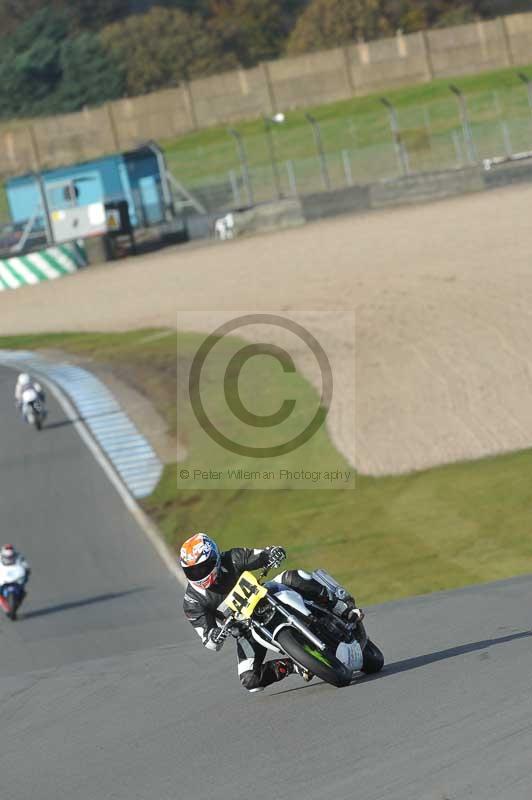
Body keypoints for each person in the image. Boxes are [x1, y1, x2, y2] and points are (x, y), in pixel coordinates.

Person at [181, 532, 361, 693]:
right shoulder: (192, 601)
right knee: (250, 679)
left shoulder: (232, 558)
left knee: (294, 576)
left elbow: (260, 555)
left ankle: (340, 606)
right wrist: (214, 637)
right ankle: (295, 665)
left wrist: (272, 554)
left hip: (267, 595)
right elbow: (207, 639)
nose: (198, 574)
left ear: (215, 558)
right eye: (191, 571)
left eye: (202, 568)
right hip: (245, 628)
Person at [0, 544, 31, 612]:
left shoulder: (19, 556)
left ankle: (20, 596)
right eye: (7, 557)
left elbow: (25, 564)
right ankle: (6, 608)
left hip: (15, 576)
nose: (9, 559)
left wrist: (27, 569)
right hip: (3, 577)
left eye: (11, 557)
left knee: (22, 591)